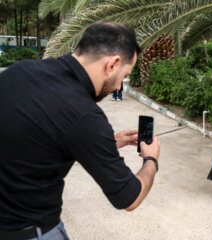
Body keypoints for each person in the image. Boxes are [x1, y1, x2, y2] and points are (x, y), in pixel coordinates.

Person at [0, 22, 160, 240]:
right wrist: (151, 159)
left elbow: (37, 139)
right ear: (112, 64)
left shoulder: (19, 71)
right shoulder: (85, 116)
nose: (119, 87)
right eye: (124, 76)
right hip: (31, 230)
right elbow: (128, 198)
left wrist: (105, 143)